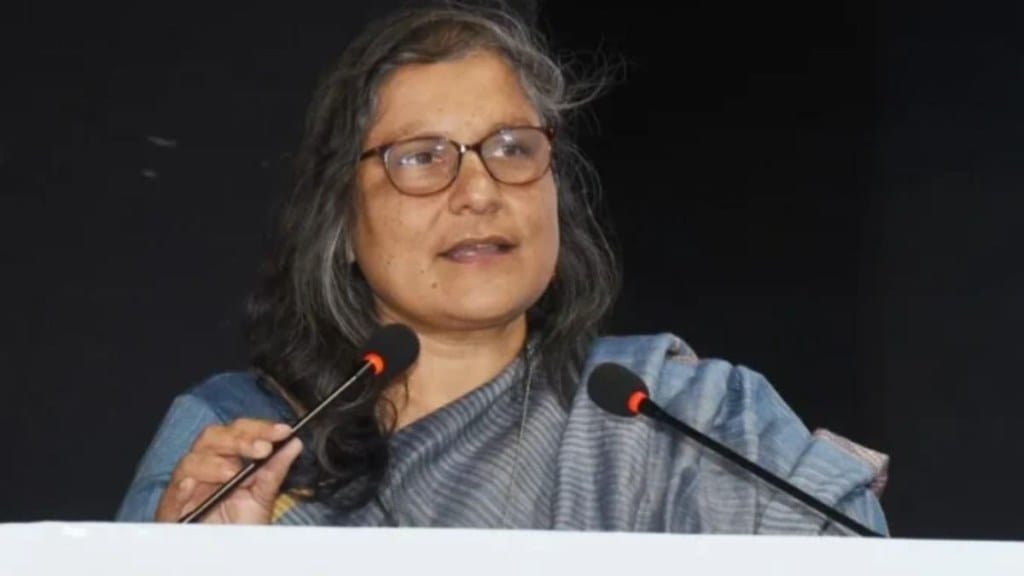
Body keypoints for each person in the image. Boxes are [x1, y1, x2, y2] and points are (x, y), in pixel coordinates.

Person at [115, 2, 890, 534]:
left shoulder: (688, 415)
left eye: (513, 149)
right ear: (341, 220)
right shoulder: (239, 442)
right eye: (423, 157)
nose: (480, 191)